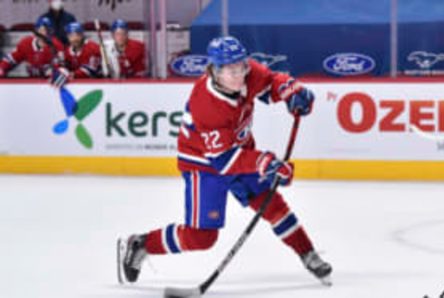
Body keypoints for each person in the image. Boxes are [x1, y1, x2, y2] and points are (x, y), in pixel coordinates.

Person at [117, 36, 332, 284]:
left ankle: (307, 253)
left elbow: (271, 82)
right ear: (215, 71)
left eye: (241, 67)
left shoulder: (247, 73)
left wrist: (290, 90)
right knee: (202, 238)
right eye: (231, 70)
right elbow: (224, 161)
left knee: (271, 202)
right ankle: (141, 244)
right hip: (203, 164)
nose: (239, 75)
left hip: (239, 151)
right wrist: (266, 163)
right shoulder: (206, 103)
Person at [50, 22, 101, 87]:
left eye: (77, 35)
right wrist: (58, 72)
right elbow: (60, 65)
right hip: (76, 85)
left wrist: (71, 74)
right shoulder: (67, 51)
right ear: (67, 37)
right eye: (71, 36)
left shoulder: (92, 47)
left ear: (82, 35)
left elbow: (91, 70)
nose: (74, 39)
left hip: (94, 84)